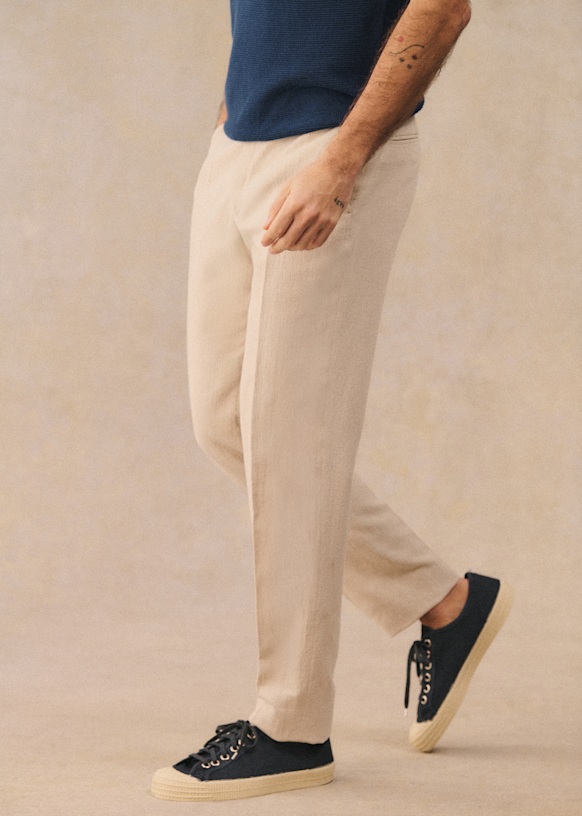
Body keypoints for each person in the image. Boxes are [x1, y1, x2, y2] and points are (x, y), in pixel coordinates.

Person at [151, 0, 514, 802]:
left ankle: (292, 726)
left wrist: (343, 158)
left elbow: (442, 9)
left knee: (290, 441)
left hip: (334, 151)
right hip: (238, 146)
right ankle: (444, 601)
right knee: (227, 423)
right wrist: (235, 111)